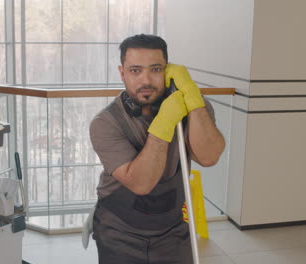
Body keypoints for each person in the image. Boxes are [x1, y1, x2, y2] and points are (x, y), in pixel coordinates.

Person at [88, 34, 225, 264]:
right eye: (135, 71)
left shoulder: (192, 107)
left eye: (155, 69)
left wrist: (191, 94)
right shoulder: (105, 123)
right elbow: (141, 183)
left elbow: (209, 157)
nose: (146, 80)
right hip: (118, 231)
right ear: (122, 73)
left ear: (169, 70)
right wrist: (165, 122)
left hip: (173, 229)